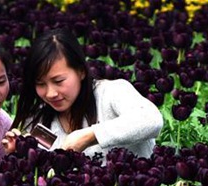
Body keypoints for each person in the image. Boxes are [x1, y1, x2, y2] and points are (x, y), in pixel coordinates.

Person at [9, 28, 163, 159]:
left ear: (81, 71)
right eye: (40, 84)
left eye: (58, 81)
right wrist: (20, 153)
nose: (50, 93)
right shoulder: (40, 122)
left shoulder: (110, 93)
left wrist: (90, 136)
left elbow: (151, 120)